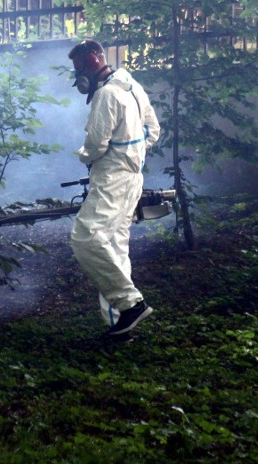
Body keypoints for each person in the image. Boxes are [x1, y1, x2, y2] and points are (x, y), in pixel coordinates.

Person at [67, 39, 160, 339]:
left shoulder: (106, 94)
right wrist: (134, 153)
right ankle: (119, 324)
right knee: (114, 247)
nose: (79, 77)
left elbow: (95, 145)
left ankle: (131, 304)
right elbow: (153, 131)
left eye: (78, 68)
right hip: (133, 178)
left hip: (112, 180)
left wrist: (84, 156)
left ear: (93, 61)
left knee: (85, 238)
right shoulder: (133, 86)